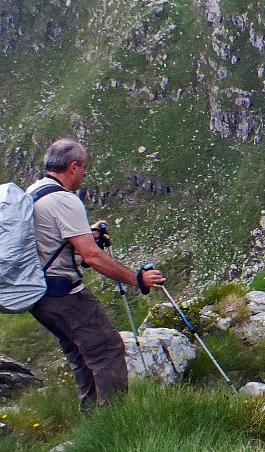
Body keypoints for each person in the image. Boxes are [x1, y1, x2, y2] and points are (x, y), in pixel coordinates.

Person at [27, 138, 165, 412]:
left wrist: (86, 235)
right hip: (63, 293)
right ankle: (114, 422)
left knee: (80, 354)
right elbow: (91, 256)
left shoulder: (35, 191)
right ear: (73, 166)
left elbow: (52, 241)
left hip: (38, 295)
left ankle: (92, 420)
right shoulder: (65, 200)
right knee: (107, 349)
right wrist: (137, 280)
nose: (85, 174)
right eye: (84, 168)